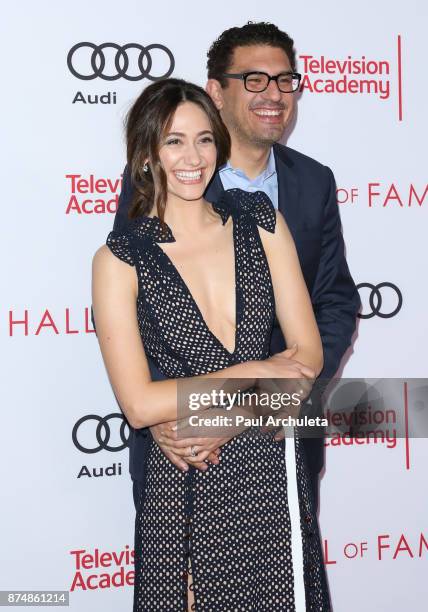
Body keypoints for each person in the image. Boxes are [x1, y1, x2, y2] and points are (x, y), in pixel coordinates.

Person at [93, 78, 331, 609]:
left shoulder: (261, 223)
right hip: (186, 474)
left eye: (204, 138)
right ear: (147, 152)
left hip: (269, 463)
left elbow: (307, 355)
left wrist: (229, 412)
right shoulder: (119, 259)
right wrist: (259, 371)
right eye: (174, 141)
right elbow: (139, 403)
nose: (192, 157)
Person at [113, 22, 360, 513]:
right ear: (216, 92)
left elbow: (333, 305)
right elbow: (135, 303)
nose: (273, 94)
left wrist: (256, 405)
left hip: (282, 430)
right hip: (186, 444)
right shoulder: (161, 177)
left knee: (286, 587)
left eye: (285, 80)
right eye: (253, 79)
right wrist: (176, 412)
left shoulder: (313, 181)